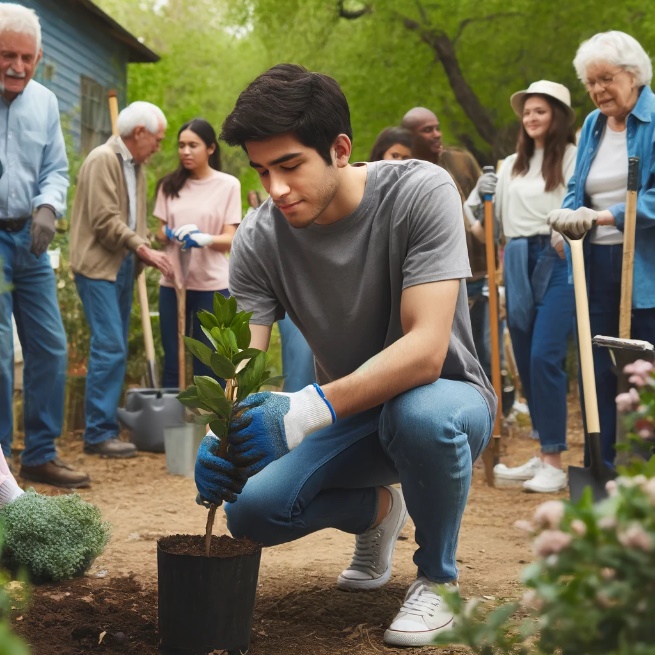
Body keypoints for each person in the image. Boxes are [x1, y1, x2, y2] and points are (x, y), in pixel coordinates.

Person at [195, 63, 496, 647]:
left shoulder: (421, 192)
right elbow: (242, 357)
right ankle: (381, 513)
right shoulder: (260, 237)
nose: (275, 189)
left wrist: (305, 410)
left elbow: (427, 349)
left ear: (338, 149)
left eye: (289, 166)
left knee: (421, 414)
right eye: (261, 170)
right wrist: (220, 432)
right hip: (352, 416)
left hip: (449, 400)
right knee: (251, 512)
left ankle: (438, 579)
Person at [548, 31, 655, 467]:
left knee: (640, 371)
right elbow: (576, 190)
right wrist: (566, 218)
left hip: (643, 267)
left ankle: (641, 470)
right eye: (590, 83)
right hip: (593, 263)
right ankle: (605, 469)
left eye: (606, 79)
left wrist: (604, 216)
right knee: (598, 371)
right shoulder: (592, 125)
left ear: (634, 75)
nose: (597, 91)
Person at [465, 81, 577, 493]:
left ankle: (554, 461)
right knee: (526, 358)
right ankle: (544, 455)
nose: (531, 118)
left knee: (547, 355)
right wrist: (474, 201)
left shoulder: (573, 157)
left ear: (558, 115)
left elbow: (580, 201)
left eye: (540, 111)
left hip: (559, 255)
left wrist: (567, 230)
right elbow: (483, 233)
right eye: (527, 111)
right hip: (514, 257)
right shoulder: (509, 164)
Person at [0, 3, 90, 488]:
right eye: (6, 55)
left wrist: (48, 207)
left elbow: (56, 168)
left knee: (51, 348)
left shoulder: (45, 102)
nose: (17, 66)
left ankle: (39, 454)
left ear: (38, 58)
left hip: (31, 239)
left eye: (26, 57)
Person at [70, 101, 173, 458]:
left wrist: (144, 247)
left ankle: (105, 428)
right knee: (110, 345)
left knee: (112, 347)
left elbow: (134, 218)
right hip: (98, 267)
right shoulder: (102, 159)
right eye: (157, 139)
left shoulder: (136, 165)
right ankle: (98, 434)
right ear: (139, 132)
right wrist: (142, 248)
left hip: (124, 266)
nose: (159, 147)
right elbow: (104, 220)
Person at [402, 107, 497, 379]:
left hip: (476, 273)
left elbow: (486, 213)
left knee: (485, 352)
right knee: (448, 358)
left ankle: (493, 414)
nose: (436, 134)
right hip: (433, 280)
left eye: (437, 127)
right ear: (410, 136)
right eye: (427, 130)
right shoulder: (407, 173)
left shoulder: (462, 160)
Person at [154, 118, 241, 388]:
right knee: (173, 359)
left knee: (208, 363)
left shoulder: (228, 185)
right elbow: (159, 231)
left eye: (193, 145)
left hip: (212, 288)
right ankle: (171, 424)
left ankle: (208, 425)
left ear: (211, 149)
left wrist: (205, 239)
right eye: (181, 145)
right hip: (174, 283)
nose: (185, 151)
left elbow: (231, 239)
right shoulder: (169, 185)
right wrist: (170, 234)